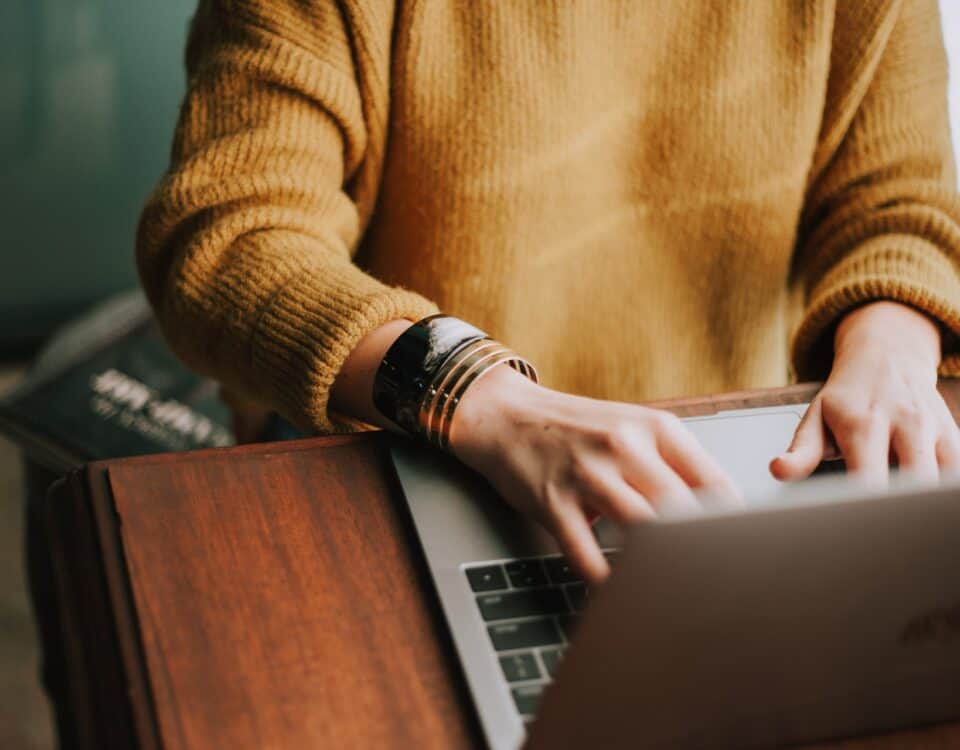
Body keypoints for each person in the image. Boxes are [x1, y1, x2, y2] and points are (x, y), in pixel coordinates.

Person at [137, 0, 960, 584]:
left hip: (731, 473)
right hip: (416, 451)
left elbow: (898, 203)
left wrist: (892, 345)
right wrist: (483, 399)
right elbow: (228, 238)